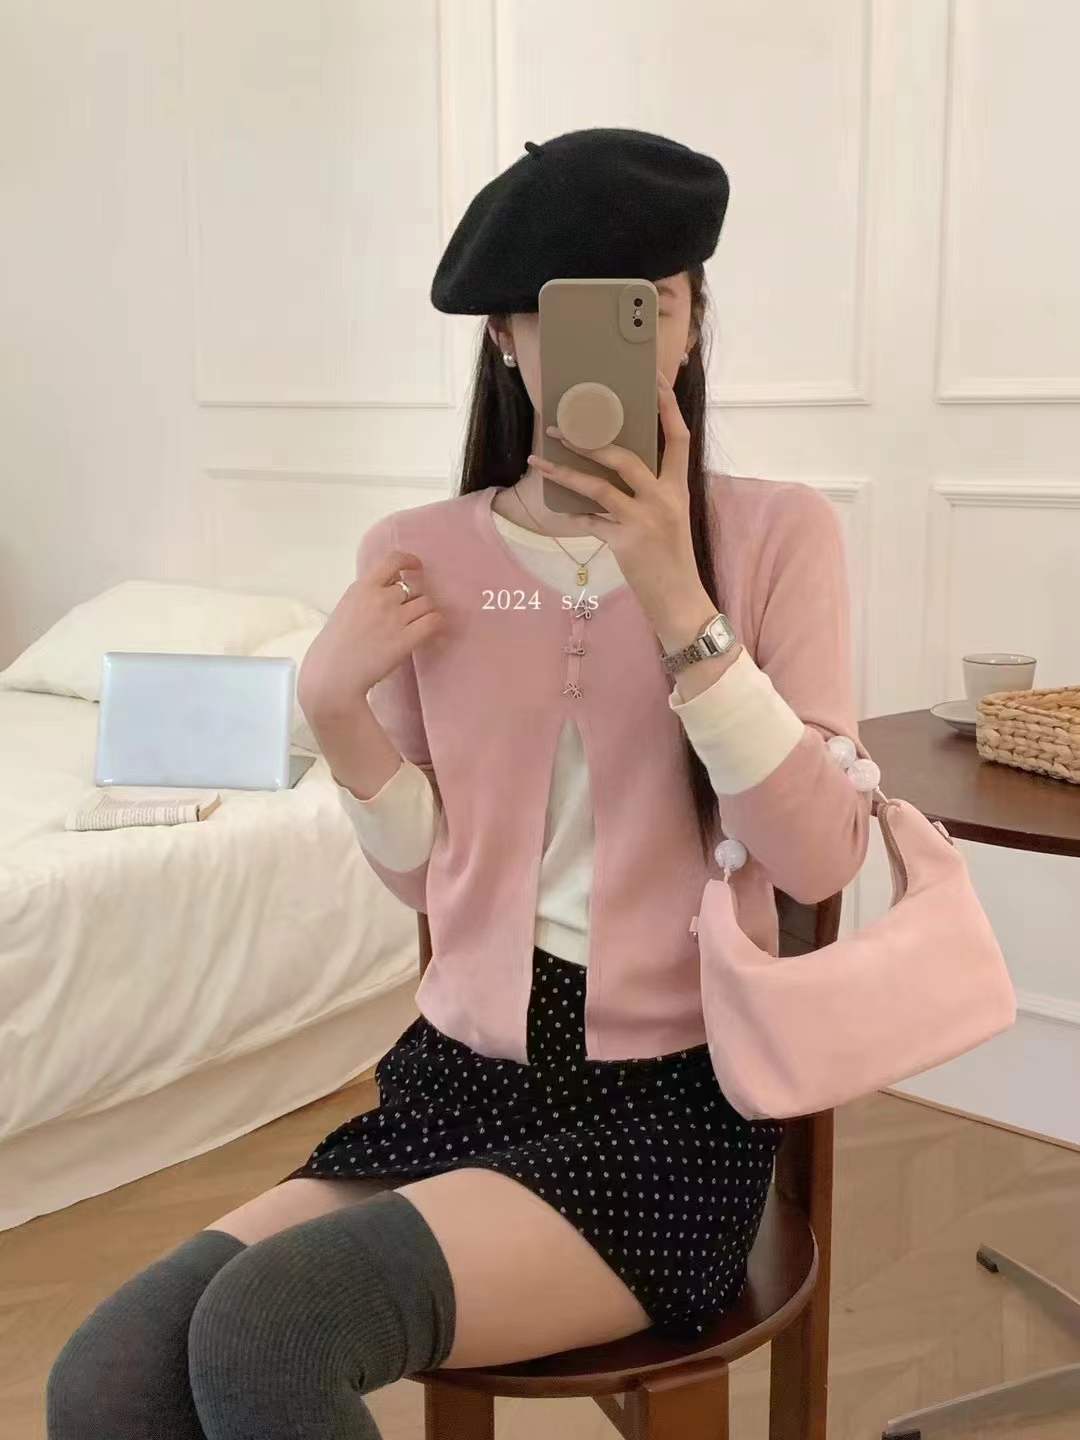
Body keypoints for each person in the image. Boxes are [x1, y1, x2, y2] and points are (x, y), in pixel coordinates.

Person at [47, 128, 872, 1439]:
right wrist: (334, 709)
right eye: (558, 312)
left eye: (650, 304)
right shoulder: (421, 554)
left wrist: (676, 594)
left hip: (673, 1104)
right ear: (504, 337)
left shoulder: (777, 536)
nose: (613, 341)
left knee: (271, 1331)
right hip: (462, 1077)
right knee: (108, 1372)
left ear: (693, 323)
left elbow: (822, 857)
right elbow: (432, 878)